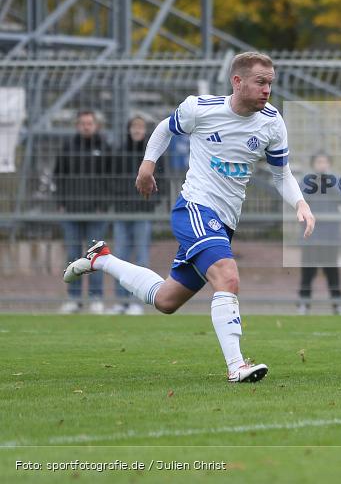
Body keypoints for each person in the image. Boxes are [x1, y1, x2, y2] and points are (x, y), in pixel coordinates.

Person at [63, 52, 316, 383]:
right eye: (260, 82)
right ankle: (237, 366)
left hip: (224, 223)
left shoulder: (272, 122)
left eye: (270, 83)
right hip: (195, 208)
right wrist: (147, 165)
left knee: (166, 300)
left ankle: (102, 259)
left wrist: (300, 204)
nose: (268, 89)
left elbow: (281, 174)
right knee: (228, 276)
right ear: (237, 82)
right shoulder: (201, 109)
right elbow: (164, 129)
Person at [109, 116, 167, 315]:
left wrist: (153, 201)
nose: (137, 130)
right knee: (121, 257)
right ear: (128, 129)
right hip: (122, 212)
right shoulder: (119, 152)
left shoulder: (153, 154)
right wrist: (117, 200)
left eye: (140, 127)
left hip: (143, 211)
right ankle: (120, 301)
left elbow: (163, 179)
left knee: (141, 257)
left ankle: (136, 302)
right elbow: (110, 179)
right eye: (134, 126)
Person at [55, 110, 112, 314]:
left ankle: (96, 298)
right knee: (72, 255)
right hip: (71, 210)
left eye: (90, 123)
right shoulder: (68, 147)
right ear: (78, 125)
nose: (86, 126)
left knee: (95, 256)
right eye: (83, 123)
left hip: (96, 212)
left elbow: (110, 177)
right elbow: (58, 175)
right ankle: (74, 298)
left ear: (95, 125)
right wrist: (60, 202)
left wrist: (103, 204)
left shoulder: (104, 146)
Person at [298, 151, 341, 315]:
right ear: (313, 164)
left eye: (324, 162)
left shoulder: (336, 180)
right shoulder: (306, 181)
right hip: (311, 234)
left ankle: (337, 304)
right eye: (319, 162)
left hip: (330, 234)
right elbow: (300, 200)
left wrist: (329, 183)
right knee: (308, 271)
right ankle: (304, 303)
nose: (322, 165)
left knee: (332, 271)